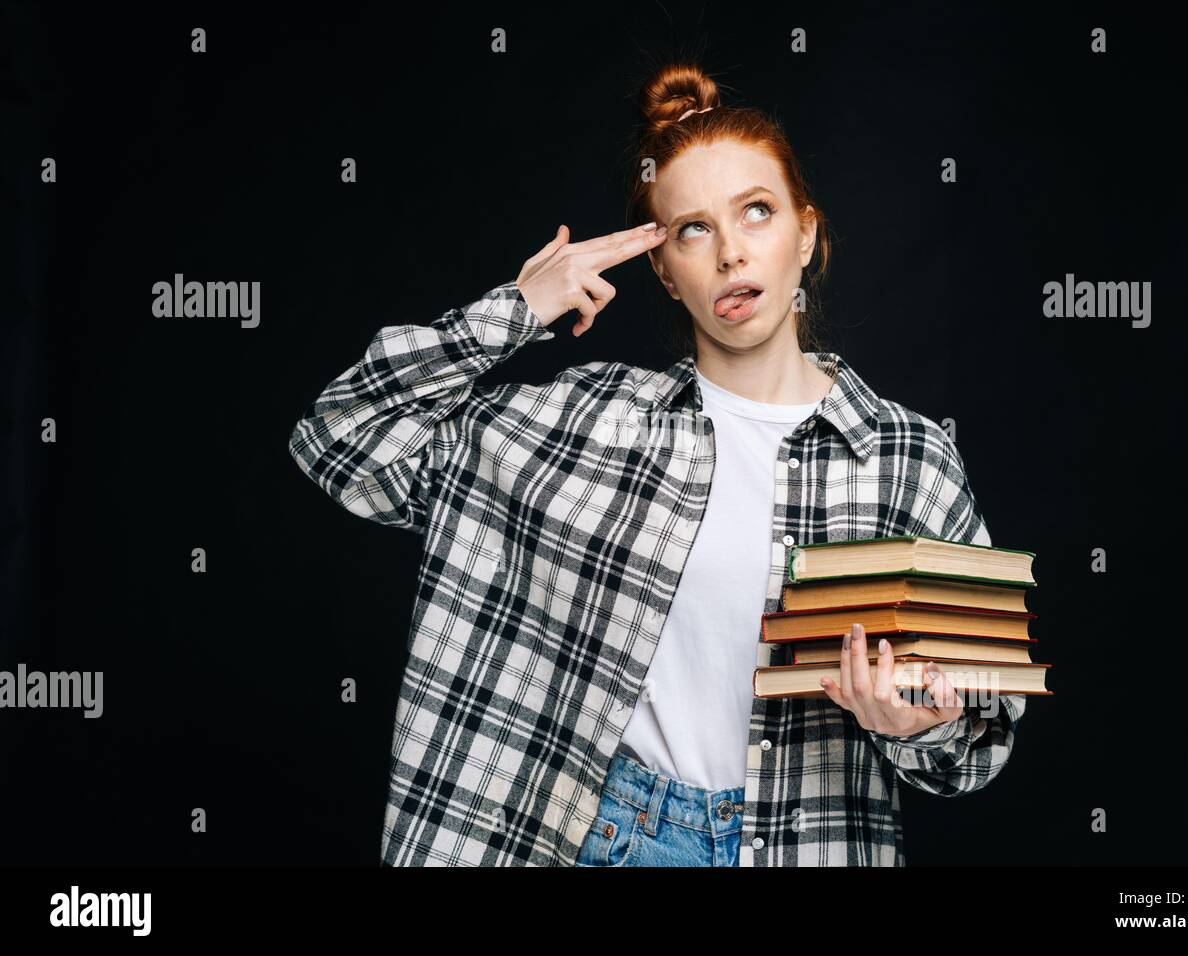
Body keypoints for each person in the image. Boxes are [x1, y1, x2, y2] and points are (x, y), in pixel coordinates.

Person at [287, 60, 1026, 867]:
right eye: (693, 230)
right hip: (602, 837)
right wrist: (520, 309)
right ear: (665, 273)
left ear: (805, 234)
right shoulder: (582, 421)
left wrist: (914, 723)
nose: (731, 254)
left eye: (756, 212)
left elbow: (980, 742)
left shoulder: (906, 457)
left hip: (802, 843)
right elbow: (342, 436)